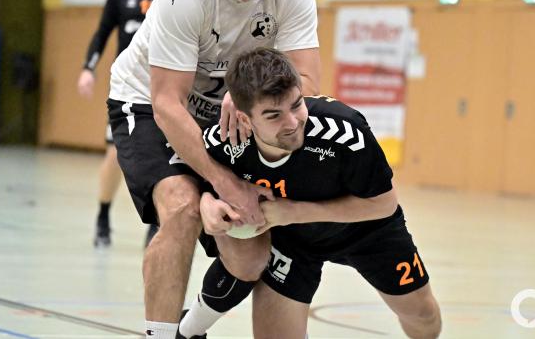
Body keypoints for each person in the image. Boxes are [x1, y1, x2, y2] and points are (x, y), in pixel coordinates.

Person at [106, 0, 321, 339]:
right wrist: (221, 181)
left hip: (228, 114)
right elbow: (168, 102)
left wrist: (248, 98)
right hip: (147, 101)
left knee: (249, 254)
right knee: (183, 207)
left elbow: (308, 85)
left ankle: (191, 330)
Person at [178, 48, 441, 339]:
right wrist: (207, 204)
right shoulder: (223, 141)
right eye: (273, 115)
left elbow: (385, 204)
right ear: (244, 120)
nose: (292, 122)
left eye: (296, 105)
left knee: (423, 316)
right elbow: (194, 177)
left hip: (366, 231)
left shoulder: (345, 131)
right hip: (293, 243)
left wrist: (295, 212)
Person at [76, 0, 170, 248]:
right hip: (129, 88)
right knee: (115, 153)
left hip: (166, 85)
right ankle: (103, 217)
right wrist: (88, 69)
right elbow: (102, 33)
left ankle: (157, 221)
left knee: (168, 155)